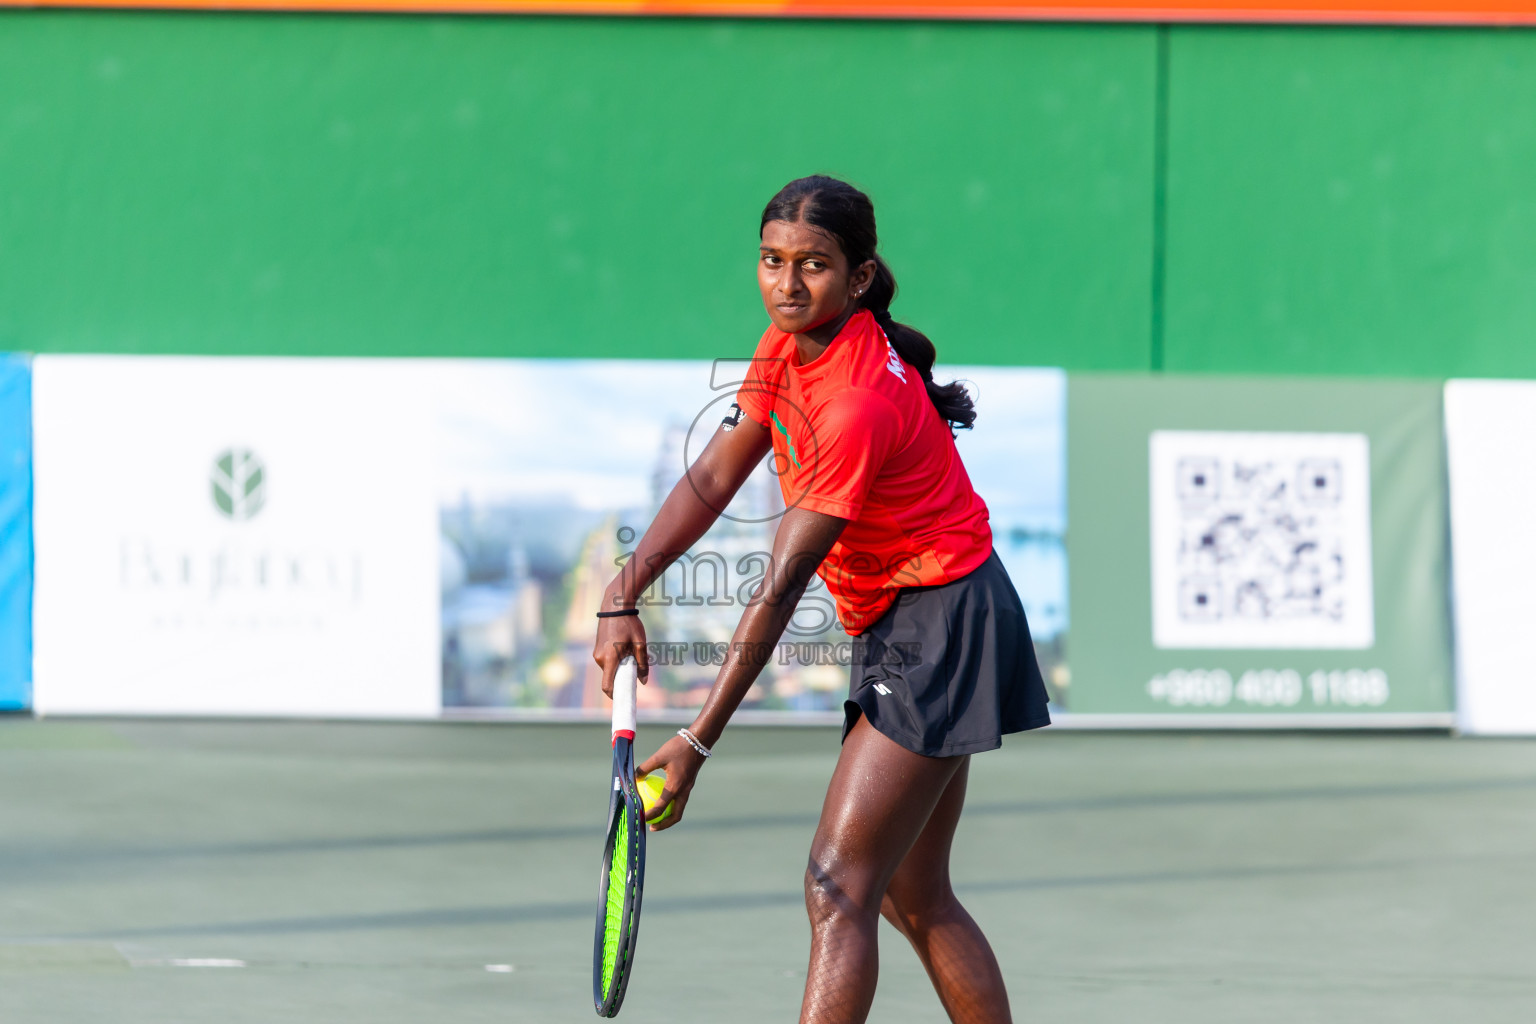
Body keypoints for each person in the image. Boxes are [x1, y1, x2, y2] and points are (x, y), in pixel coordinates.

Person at [592, 175, 1051, 1024]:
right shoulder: (782, 345)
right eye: (772, 261)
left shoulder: (854, 404)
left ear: (860, 277)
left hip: (945, 620)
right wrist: (623, 591)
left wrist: (696, 740)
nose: (787, 284)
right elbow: (712, 474)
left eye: (813, 265)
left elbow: (779, 588)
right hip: (916, 613)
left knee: (836, 886)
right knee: (912, 896)